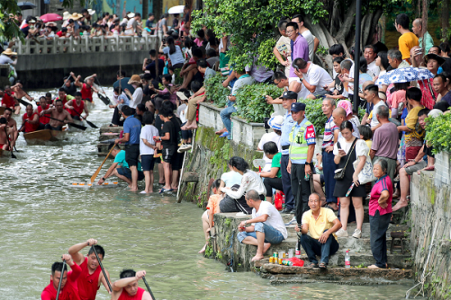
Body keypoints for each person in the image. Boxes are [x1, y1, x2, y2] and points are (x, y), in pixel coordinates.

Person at [333, 121, 369, 239]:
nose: (345, 135)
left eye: (347, 133)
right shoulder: (339, 143)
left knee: (357, 203)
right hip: (343, 175)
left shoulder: (359, 142)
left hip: (355, 174)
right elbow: (336, 162)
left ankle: (358, 229)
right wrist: (339, 155)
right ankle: (343, 228)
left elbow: (362, 160)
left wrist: (356, 174)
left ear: (352, 130)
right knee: (343, 203)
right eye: (343, 133)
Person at [393, 108, 432, 211]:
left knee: (403, 171)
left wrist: (414, 161)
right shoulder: (429, 130)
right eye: (420, 120)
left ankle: (403, 200)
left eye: (423, 119)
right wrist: (415, 160)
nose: (421, 122)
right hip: (425, 161)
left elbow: (424, 149)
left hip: (427, 163)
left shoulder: (431, 130)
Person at [237, 190, 287, 261]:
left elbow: (263, 218)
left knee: (259, 224)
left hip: (278, 235)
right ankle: (263, 244)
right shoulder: (254, 210)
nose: (246, 202)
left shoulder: (266, 205)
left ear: (250, 200)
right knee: (240, 234)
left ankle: (259, 253)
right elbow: (253, 227)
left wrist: (246, 221)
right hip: (264, 234)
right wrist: (244, 229)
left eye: (246, 200)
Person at [287, 102, 316, 223]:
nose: (294, 115)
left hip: (303, 164)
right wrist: (290, 161)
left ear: (303, 113)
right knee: (295, 191)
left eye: (296, 113)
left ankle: (305, 218)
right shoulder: (295, 126)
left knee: (304, 192)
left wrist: (307, 164)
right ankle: (298, 217)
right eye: (292, 113)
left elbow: (311, 146)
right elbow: (293, 145)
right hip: (294, 163)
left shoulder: (308, 126)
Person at [296, 193, 342, 269]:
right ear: (308, 203)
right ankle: (313, 261)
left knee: (327, 231)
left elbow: (338, 224)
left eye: (315, 201)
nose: (313, 203)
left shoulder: (327, 211)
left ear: (320, 203)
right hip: (317, 244)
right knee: (303, 237)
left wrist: (327, 232)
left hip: (331, 245)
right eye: (311, 201)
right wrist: (300, 229)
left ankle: (323, 261)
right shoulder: (306, 214)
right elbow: (305, 230)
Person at [368, 159, 393, 269]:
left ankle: (379, 263)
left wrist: (380, 201)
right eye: (374, 168)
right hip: (382, 212)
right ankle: (383, 262)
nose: (375, 170)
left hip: (378, 212)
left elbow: (385, 193)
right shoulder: (383, 179)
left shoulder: (383, 182)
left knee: (376, 238)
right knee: (380, 237)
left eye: (377, 169)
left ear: (384, 170)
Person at [218, 70, 255, 139]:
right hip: (250, 106)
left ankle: (230, 134)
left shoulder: (238, 82)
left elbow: (233, 98)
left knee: (223, 113)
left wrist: (229, 97)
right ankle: (227, 129)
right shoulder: (252, 78)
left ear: (236, 73)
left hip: (240, 108)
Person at [115, 105, 142, 192]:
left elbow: (126, 138)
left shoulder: (126, 122)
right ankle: (135, 185)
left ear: (122, 113)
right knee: (134, 165)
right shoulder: (137, 121)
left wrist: (118, 140)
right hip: (138, 146)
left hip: (131, 146)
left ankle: (134, 186)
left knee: (133, 167)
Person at [279, 91, 297, 214]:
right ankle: (289, 205)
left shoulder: (295, 117)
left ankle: (295, 205)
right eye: (283, 100)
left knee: (293, 180)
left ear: (293, 101)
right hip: (284, 152)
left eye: (286, 99)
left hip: (292, 151)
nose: (283, 102)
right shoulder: (286, 116)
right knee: (286, 181)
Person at [370, 106, 398, 182]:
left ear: (377, 116)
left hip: (379, 161)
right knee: (388, 186)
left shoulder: (379, 130)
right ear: (388, 115)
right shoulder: (394, 126)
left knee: (378, 187)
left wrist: (369, 161)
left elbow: (373, 150)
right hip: (392, 161)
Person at [398, 87, 425, 161]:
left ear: (410, 99)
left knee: (409, 166)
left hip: (412, 144)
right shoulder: (423, 108)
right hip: (419, 142)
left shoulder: (415, 110)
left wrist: (399, 128)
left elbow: (409, 128)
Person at [321, 98, 339, 210]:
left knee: (330, 177)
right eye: (323, 105)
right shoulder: (329, 120)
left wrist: (334, 146)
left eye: (326, 105)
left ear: (333, 107)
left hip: (330, 153)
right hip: (327, 152)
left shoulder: (333, 119)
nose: (324, 107)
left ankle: (332, 202)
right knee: (328, 176)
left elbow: (337, 132)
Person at [156, 105, 178, 193]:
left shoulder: (166, 124)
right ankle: (169, 184)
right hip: (172, 146)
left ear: (161, 115)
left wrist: (159, 138)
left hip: (168, 147)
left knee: (166, 166)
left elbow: (167, 136)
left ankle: (168, 185)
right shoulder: (171, 123)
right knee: (168, 166)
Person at [199, 179, 223, 253]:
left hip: (214, 221)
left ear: (214, 189)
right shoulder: (227, 195)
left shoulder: (213, 197)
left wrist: (210, 227)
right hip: (223, 220)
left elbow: (211, 212)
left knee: (204, 216)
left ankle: (207, 242)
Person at [140, 112, 159, 194]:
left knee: (146, 172)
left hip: (145, 152)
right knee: (151, 171)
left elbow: (145, 141)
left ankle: (146, 189)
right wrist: (155, 148)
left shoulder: (144, 129)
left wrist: (152, 147)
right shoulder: (155, 129)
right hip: (153, 153)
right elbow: (157, 141)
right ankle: (151, 189)